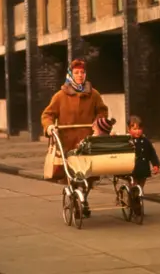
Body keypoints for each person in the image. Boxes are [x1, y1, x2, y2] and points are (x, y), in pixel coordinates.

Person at [41, 58, 109, 217]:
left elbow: (102, 111)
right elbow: (47, 114)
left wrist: (99, 124)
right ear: (71, 74)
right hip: (67, 141)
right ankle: (74, 199)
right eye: (76, 73)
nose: (80, 75)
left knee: (89, 175)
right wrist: (49, 126)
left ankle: (83, 198)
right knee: (71, 174)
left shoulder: (93, 94)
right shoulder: (60, 96)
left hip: (87, 140)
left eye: (82, 72)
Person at [127, 115, 160, 189]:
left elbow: (152, 153)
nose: (138, 131)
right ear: (129, 130)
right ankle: (132, 197)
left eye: (139, 129)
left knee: (141, 187)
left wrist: (156, 165)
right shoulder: (128, 141)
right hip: (132, 169)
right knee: (133, 186)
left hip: (143, 168)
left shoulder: (146, 141)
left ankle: (139, 197)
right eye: (134, 129)